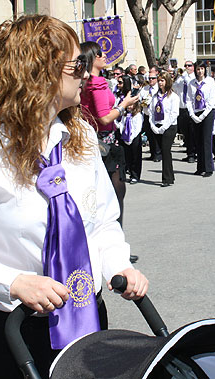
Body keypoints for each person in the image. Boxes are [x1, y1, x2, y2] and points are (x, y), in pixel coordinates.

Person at [0, 15, 148, 378]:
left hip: (86, 323)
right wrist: (12, 282)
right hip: (13, 334)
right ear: (38, 71)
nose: (86, 74)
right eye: (77, 65)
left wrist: (118, 263)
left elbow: (102, 221)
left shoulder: (81, 136)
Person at [79, 41, 139, 264]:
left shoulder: (85, 83)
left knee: (101, 197)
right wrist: (123, 105)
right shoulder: (97, 83)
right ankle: (115, 249)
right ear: (93, 58)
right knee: (115, 197)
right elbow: (104, 118)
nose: (105, 57)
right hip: (106, 142)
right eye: (100, 54)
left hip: (94, 139)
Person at [186, 61, 215, 177]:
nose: (200, 71)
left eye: (202, 69)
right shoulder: (191, 83)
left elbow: (211, 101)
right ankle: (200, 166)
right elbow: (188, 99)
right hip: (195, 112)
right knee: (197, 140)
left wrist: (203, 116)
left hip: (207, 112)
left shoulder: (210, 82)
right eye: (198, 69)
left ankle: (208, 167)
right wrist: (192, 114)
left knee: (206, 140)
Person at [150, 72, 179, 187]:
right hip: (157, 125)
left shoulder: (173, 97)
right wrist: (153, 125)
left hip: (169, 126)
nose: (160, 83)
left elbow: (174, 114)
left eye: (162, 80)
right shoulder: (155, 96)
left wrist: (164, 127)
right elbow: (152, 111)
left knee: (166, 150)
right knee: (162, 151)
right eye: (159, 80)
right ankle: (170, 176)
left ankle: (166, 178)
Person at [173, 61, 197, 163]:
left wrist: (185, 76)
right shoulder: (181, 78)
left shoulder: (194, 78)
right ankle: (189, 153)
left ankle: (194, 153)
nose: (187, 67)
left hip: (191, 108)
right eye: (185, 65)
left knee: (192, 132)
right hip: (181, 108)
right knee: (185, 133)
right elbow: (174, 87)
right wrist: (177, 77)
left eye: (189, 65)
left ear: (193, 67)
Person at [118, 94, 144, 184]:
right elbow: (121, 125)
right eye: (128, 105)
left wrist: (131, 138)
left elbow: (137, 128)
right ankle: (127, 173)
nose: (129, 107)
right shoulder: (125, 115)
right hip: (125, 137)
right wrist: (123, 133)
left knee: (135, 157)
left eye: (131, 105)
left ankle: (135, 175)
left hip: (134, 138)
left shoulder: (138, 116)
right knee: (127, 157)